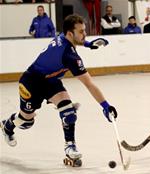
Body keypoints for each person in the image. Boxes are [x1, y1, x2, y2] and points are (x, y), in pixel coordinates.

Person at [0, 14, 118, 164]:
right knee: (26, 121)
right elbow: (89, 84)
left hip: (51, 82)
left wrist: (88, 44)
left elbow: (73, 41)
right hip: (31, 82)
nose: (85, 34)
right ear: (70, 33)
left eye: (84, 31)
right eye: (81, 32)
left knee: (68, 110)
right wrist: (105, 106)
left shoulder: (64, 36)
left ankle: (70, 147)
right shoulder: (70, 57)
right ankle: (7, 126)